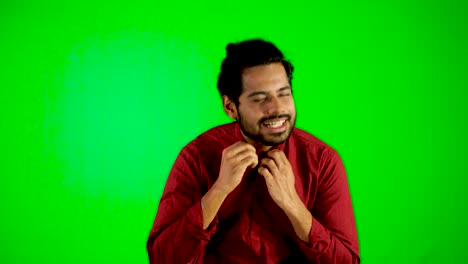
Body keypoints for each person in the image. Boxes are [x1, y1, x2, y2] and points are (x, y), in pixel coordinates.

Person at [147, 39, 360, 263]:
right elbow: (162, 258)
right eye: (260, 99)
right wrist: (219, 190)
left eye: (284, 94)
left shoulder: (322, 161)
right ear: (230, 107)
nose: (277, 108)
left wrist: (293, 204)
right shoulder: (196, 156)